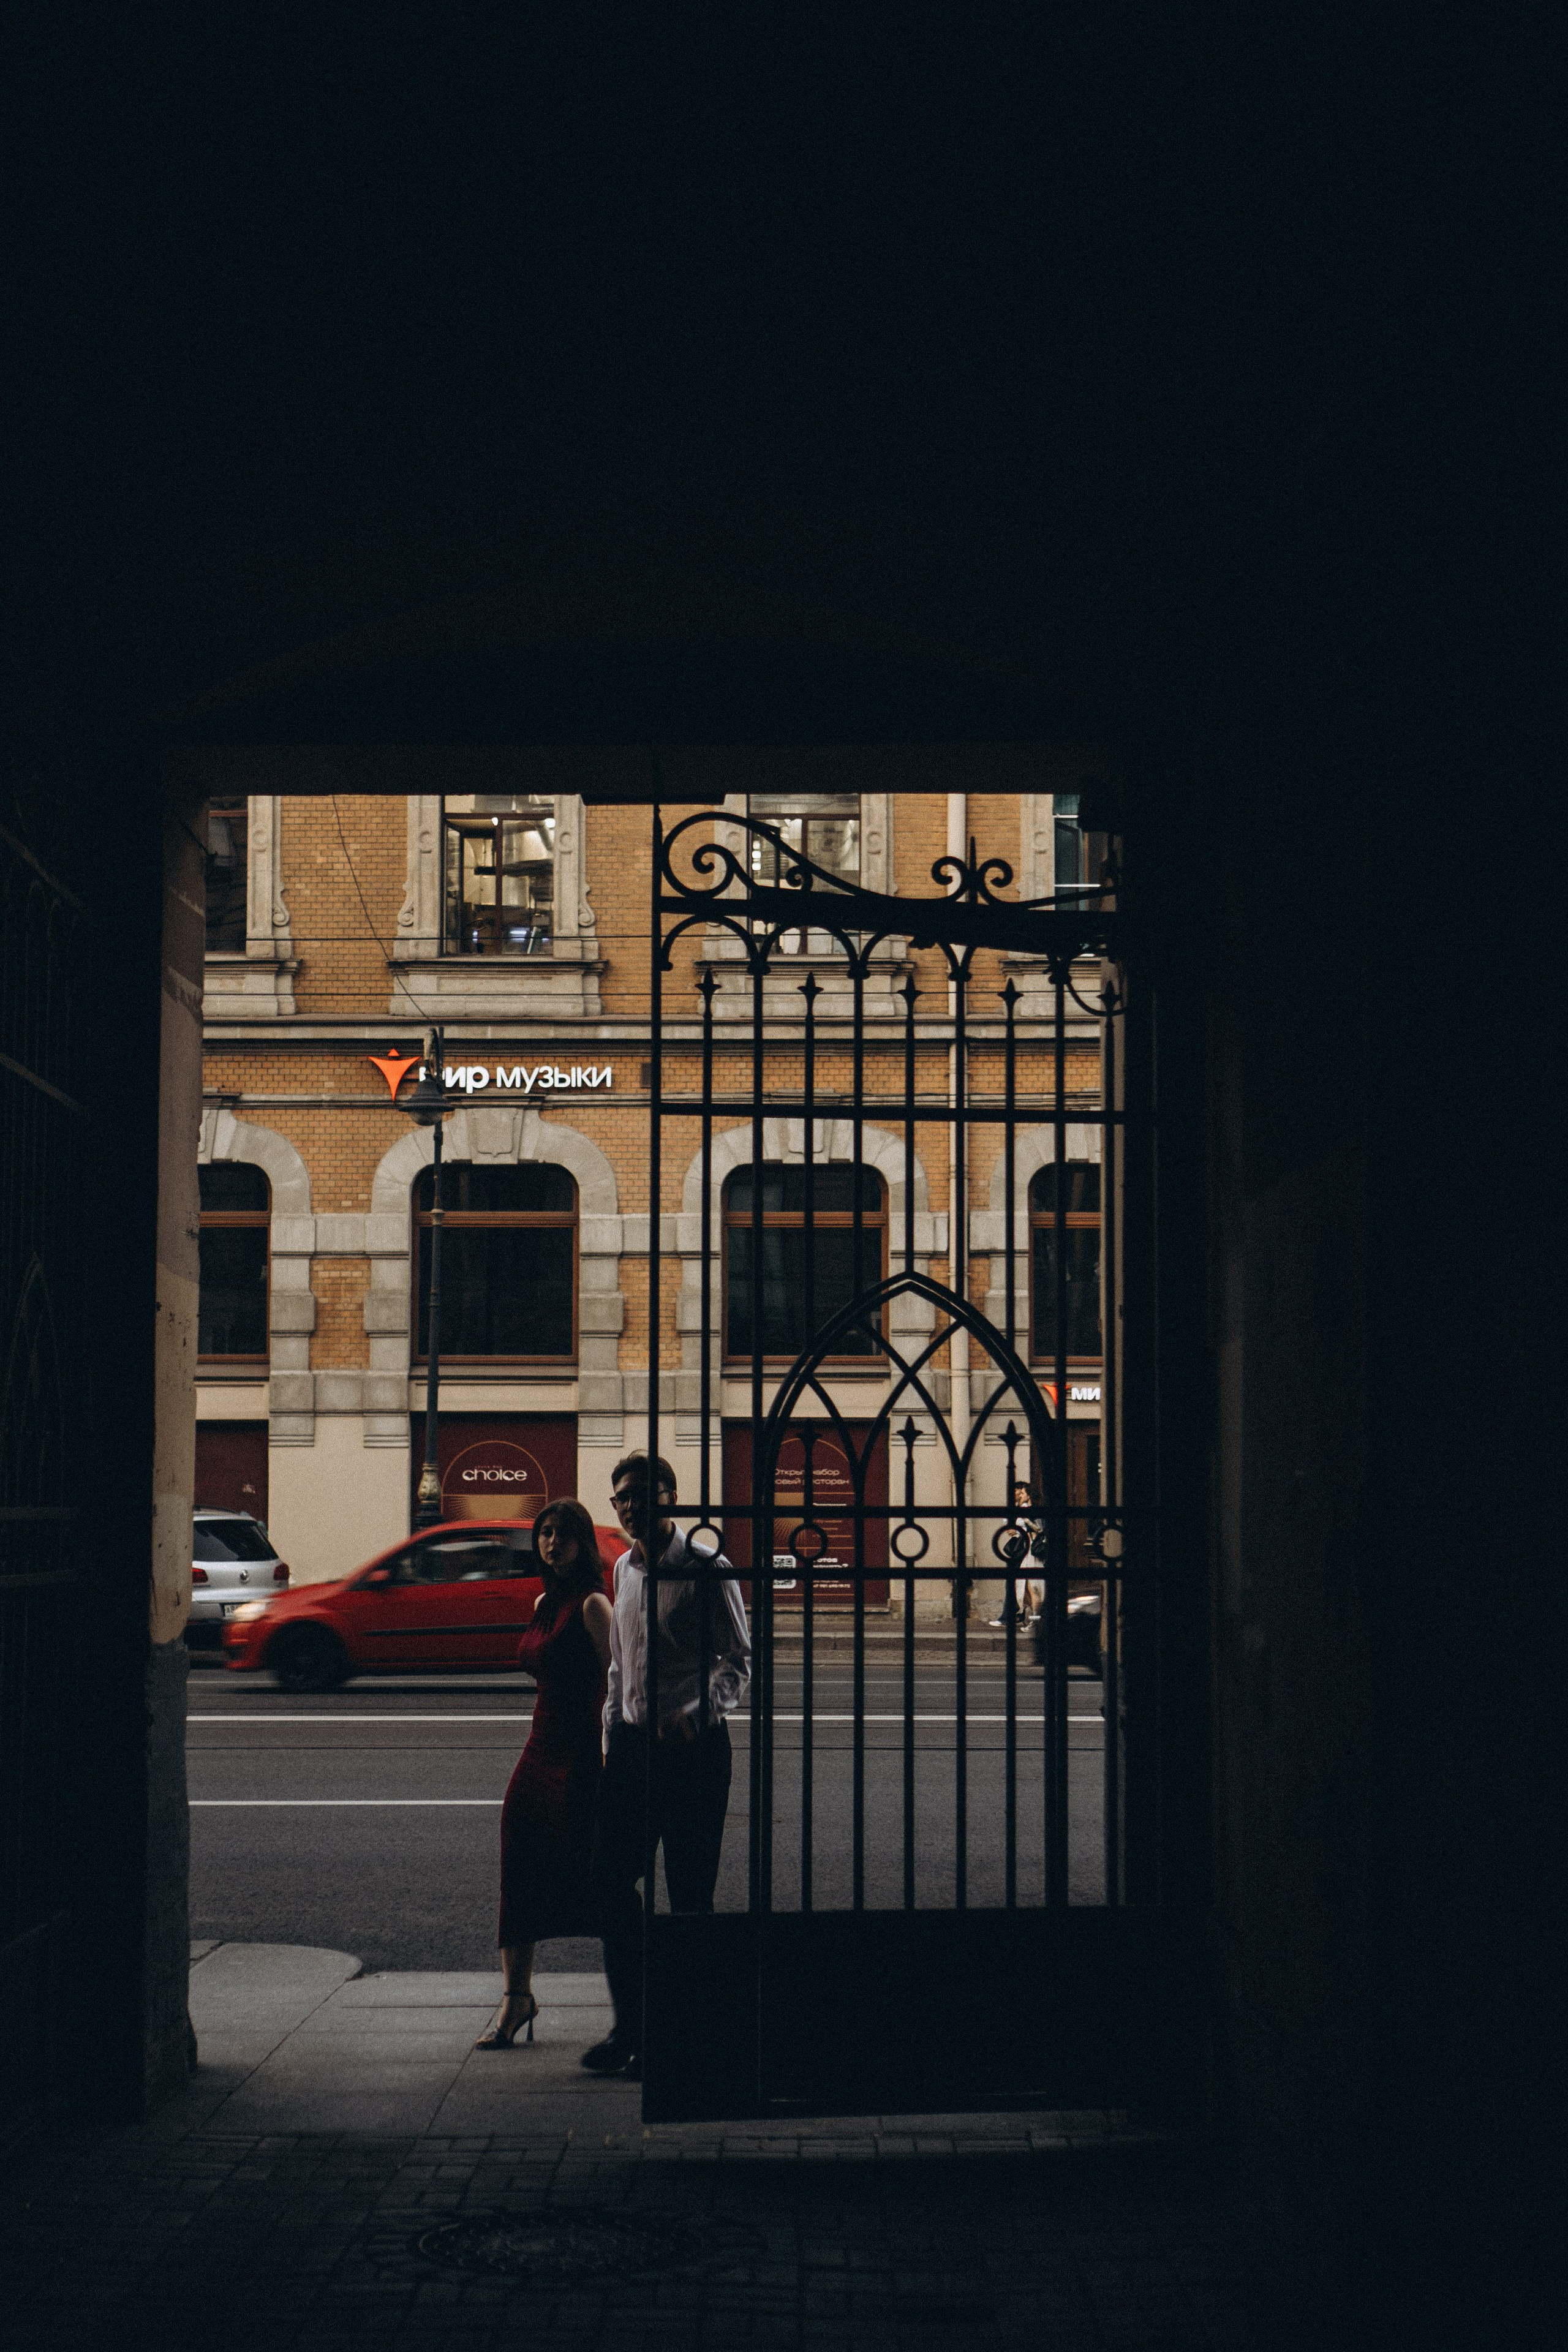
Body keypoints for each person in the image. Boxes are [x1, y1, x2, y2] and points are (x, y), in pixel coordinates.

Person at [581, 1450, 751, 2079]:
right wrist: (609, 1736)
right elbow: (620, 1665)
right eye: (621, 1497)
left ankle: (682, 2037)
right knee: (608, 1886)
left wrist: (697, 1712)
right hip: (630, 1750)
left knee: (688, 1897)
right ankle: (630, 2027)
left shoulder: (707, 1568)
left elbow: (737, 1659)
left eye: (641, 1496)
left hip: (692, 1753)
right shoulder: (622, 1570)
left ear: (670, 1499)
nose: (629, 1507)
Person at [475, 1498, 611, 2049]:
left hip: (580, 1754)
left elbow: (616, 1683)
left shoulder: (594, 1604)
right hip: (539, 1747)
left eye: (563, 1534)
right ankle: (517, 1998)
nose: (552, 1543)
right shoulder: (542, 1601)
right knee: (519, 1865)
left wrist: (608, 1752)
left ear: (582, 1542)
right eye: (545, 1533)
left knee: (601, 1881)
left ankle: (637, 2003)